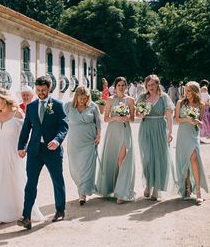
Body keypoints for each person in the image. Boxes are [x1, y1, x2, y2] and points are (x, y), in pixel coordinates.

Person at [0, 89, 44, 225]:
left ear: (5, 99)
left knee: (14, 180)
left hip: (12, 153)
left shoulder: (17, 114)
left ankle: (19, 209)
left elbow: (26, 133)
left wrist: (25, 148)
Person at [17, 76, 69, 229]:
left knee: (57, 181)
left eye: (43, 90)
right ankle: (26, 217)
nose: (40, 93)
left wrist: (57, 140)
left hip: (52, 151)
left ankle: (60, 210)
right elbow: (26, 127)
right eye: (38, 90)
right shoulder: (31, 106)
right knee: (30, 184)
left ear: (49, 89)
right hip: (34, 151)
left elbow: (64, 127)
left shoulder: (58, 105)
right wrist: (21, 146)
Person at [97, 76, 136, 204]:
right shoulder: (109, 99)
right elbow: (106, 118)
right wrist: (116, 118)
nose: (121, 87)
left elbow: (132, 119)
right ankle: (113, 187)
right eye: (119, 85)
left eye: (123, 85)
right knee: (113, 159)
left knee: (122, 159)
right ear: (115, 86)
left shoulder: (130, 100)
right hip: (113, 131)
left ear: (126, 86)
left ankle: (122, 191)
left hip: (125, 130)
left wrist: (125, 117)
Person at [136, 74, 175, 201]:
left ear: (158, 84)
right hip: (146, 128)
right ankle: (148, 184)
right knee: (147, 157)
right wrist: (142, 114)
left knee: (159, 158)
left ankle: (156, 189)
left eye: (153, 84)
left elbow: (169, 117)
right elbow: (138, 115)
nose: (151, 87)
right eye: (148, 85)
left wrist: (170, 132)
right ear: (146, 86)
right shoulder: (142, 97)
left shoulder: (164, 98)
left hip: (160, 128)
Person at [64, 86, 102, 205]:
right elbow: (60, 120)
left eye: (85, 98)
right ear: (76, 97)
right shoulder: (68, 106)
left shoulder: (93, 106)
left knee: (87, 167)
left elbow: (98, 123)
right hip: (74, 141)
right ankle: (80, 188)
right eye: (81, 98)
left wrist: (98, 136)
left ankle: (82, 193)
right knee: (76, 167)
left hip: (89, 141)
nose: (83, 101)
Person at [175, 81, 209, 205]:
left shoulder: (201, 105)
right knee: (185, 162)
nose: (187, 93)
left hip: (194, 135)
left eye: (189, 91)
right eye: (186, 91)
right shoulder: (180, 103)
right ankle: (188, 189)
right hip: (183, 134)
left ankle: (199, 192)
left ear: (195, 91)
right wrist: (189, 120)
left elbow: (200, 121)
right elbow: (177, 119)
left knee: (194, 159)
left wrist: (199, 123)